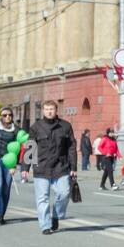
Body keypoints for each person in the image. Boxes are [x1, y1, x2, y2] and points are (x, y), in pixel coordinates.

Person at [28, 100, 77, 235]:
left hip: (60, 167)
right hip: (41, 168)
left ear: (56, 111)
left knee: (64, 193)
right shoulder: (36, 127)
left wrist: (73, 166)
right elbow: (30, 147)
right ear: (43, 111)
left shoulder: (65, 126)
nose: (49, 111)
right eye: (47, 109)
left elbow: (71, 147)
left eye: (52, 109)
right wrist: (25, 169)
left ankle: (56, 215)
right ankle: (45, 225)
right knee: (42, 198)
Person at [0, 108, 20, 225]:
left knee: (6, 189)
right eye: (5, 115)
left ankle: (2, 215)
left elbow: (19, 148)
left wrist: (14, 165)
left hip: (9, 162)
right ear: (0, 116)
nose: (7, 117)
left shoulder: (16, 130)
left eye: (10, 115)